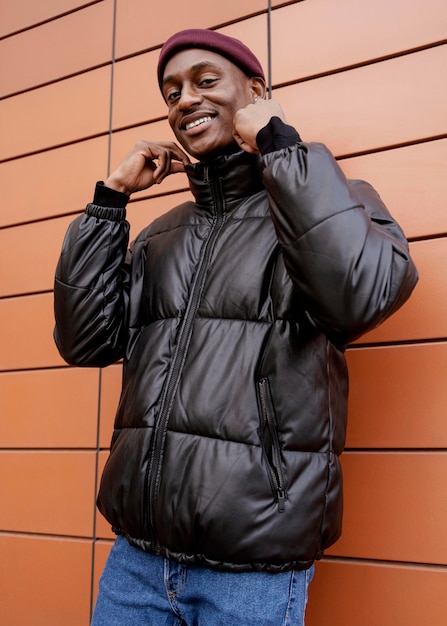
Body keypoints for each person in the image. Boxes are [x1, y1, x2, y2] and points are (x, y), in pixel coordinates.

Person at [53, 29, 418, 626]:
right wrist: (109, 203)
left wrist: (280, 146)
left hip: (253, 570)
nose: (184, 100)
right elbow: (84, 339)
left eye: (204, 80)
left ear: (255, 90)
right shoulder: (159, 235)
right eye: (171, 93)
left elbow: (358, 296)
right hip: (137, 561)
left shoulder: (333, 206)